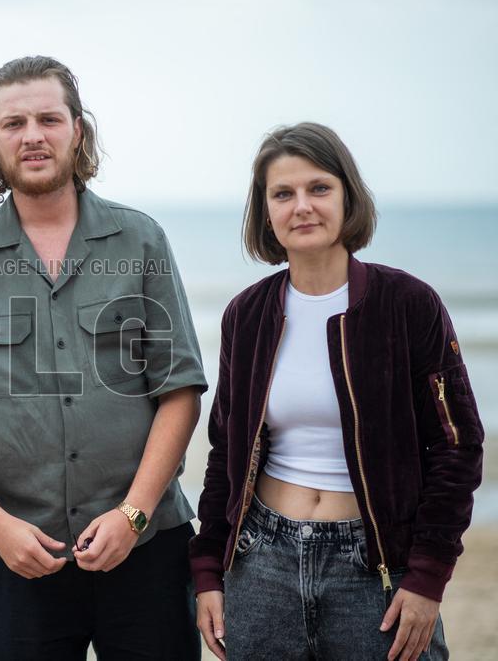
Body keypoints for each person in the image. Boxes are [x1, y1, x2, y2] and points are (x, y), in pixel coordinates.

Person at [0, 56, 207, 660]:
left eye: (49, 118)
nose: (33, 135)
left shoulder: (139, 240)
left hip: (147, 548)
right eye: (14, 123)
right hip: (21, 561)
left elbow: (180, 390)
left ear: (78, 130)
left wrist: (135, 515)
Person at [189, 122, 484, 661]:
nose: (302, 206)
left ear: (348, 196)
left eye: (319, 188)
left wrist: (426, 577)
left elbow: (457, 447)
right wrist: (208, 570)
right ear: (266, 211)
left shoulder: (409, 304)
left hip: (376, 570)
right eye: (283, 193)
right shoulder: (247, 315)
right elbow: (225, 454)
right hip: (261, 565)